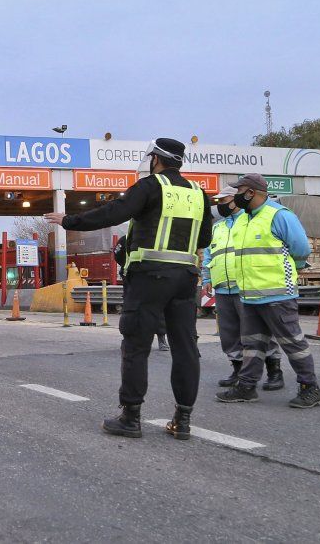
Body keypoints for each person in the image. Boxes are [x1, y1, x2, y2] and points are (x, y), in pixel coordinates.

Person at [46, 138, 212, 440]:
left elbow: (113, 213)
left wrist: (70, 220)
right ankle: (182, 420)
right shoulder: (200, 194)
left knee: (136, 346)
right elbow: (203, 240)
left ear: (156, 160)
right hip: (186, 279)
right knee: (186, 348)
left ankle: (131, 417)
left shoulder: (150, 187)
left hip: (150, 278)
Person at [216, 174, 320, 408]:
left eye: (239, 190)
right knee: (252, 345)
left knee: (292, 342)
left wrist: (291, 269)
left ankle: (310, 387)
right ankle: (247, 386)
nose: (236, 195)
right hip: (250, 296)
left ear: (251, 192)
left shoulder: (279, 215)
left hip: (278, 295)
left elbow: (301, 249)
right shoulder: (244, 218)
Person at [203, 186, 284, 390]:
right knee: (229, 334)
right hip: (223, 287)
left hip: (245, 285)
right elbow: (208, 254)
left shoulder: (248, 220)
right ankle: (238, 370)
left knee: (258, 332)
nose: (220, 205)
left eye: (224, 200)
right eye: (218, 202)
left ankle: (274, 372)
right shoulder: (217, 227)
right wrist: (206, 278)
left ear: (235, 200)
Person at [115, 235, 168, 352]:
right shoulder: (125, 239)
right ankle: (128, 338)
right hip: (130, 277)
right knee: (130, 310)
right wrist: (127, 265)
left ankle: (161, 338)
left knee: (158, 309)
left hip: (152, 276)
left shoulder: (153, 237)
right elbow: (117, 255)